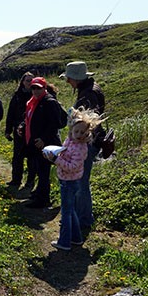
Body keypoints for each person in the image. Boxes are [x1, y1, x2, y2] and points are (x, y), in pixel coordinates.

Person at [44, 107, 103, 251]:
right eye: (76, 131)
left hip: (70, 181)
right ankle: (76, 238)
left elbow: (72, 166)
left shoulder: (81, 148)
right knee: (71, 211)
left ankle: (64, 241)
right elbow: (65, 153)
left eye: (82, 132)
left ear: (87, 133)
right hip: (66, 180)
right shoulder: (69, 141)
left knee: (66, 212)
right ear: (71, 130)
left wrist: (56, 160)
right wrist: (55, 153)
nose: (78, 135)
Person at [59, 61, 105, 228]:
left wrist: (77, 137)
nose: (67, 82)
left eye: (69, 78)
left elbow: (88, 123)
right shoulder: (91, 89)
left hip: (86, 144)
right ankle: (81, 217)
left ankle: (83, 220)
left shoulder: (87, 94)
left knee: (80, 182)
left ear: (75, 78)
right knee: (81, 181)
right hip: (90, 142)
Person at [21, 77, 67, 208]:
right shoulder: (33, 102)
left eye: (38, 88)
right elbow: (29, 119)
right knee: (38, 169)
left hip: (45, 144)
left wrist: (44, 139)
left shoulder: (49, 102)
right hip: (35, 142)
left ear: (44, 88)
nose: (35, 91)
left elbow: (55, 124)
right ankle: (39, 195)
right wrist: (23, 127)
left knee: (43, 171)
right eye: (33, 88)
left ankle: (43, 199)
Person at [5, 72, 36, 188]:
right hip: (18, 131)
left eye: (31, 80)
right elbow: (10, 113)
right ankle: (16, 180)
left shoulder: (36, 95)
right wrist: (8, 130)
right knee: (17, 156)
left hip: (32, 130)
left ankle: (30, 182)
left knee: (32, 158)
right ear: (22, 82)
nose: (29, 83)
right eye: (27, 80)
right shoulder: (17, 95)